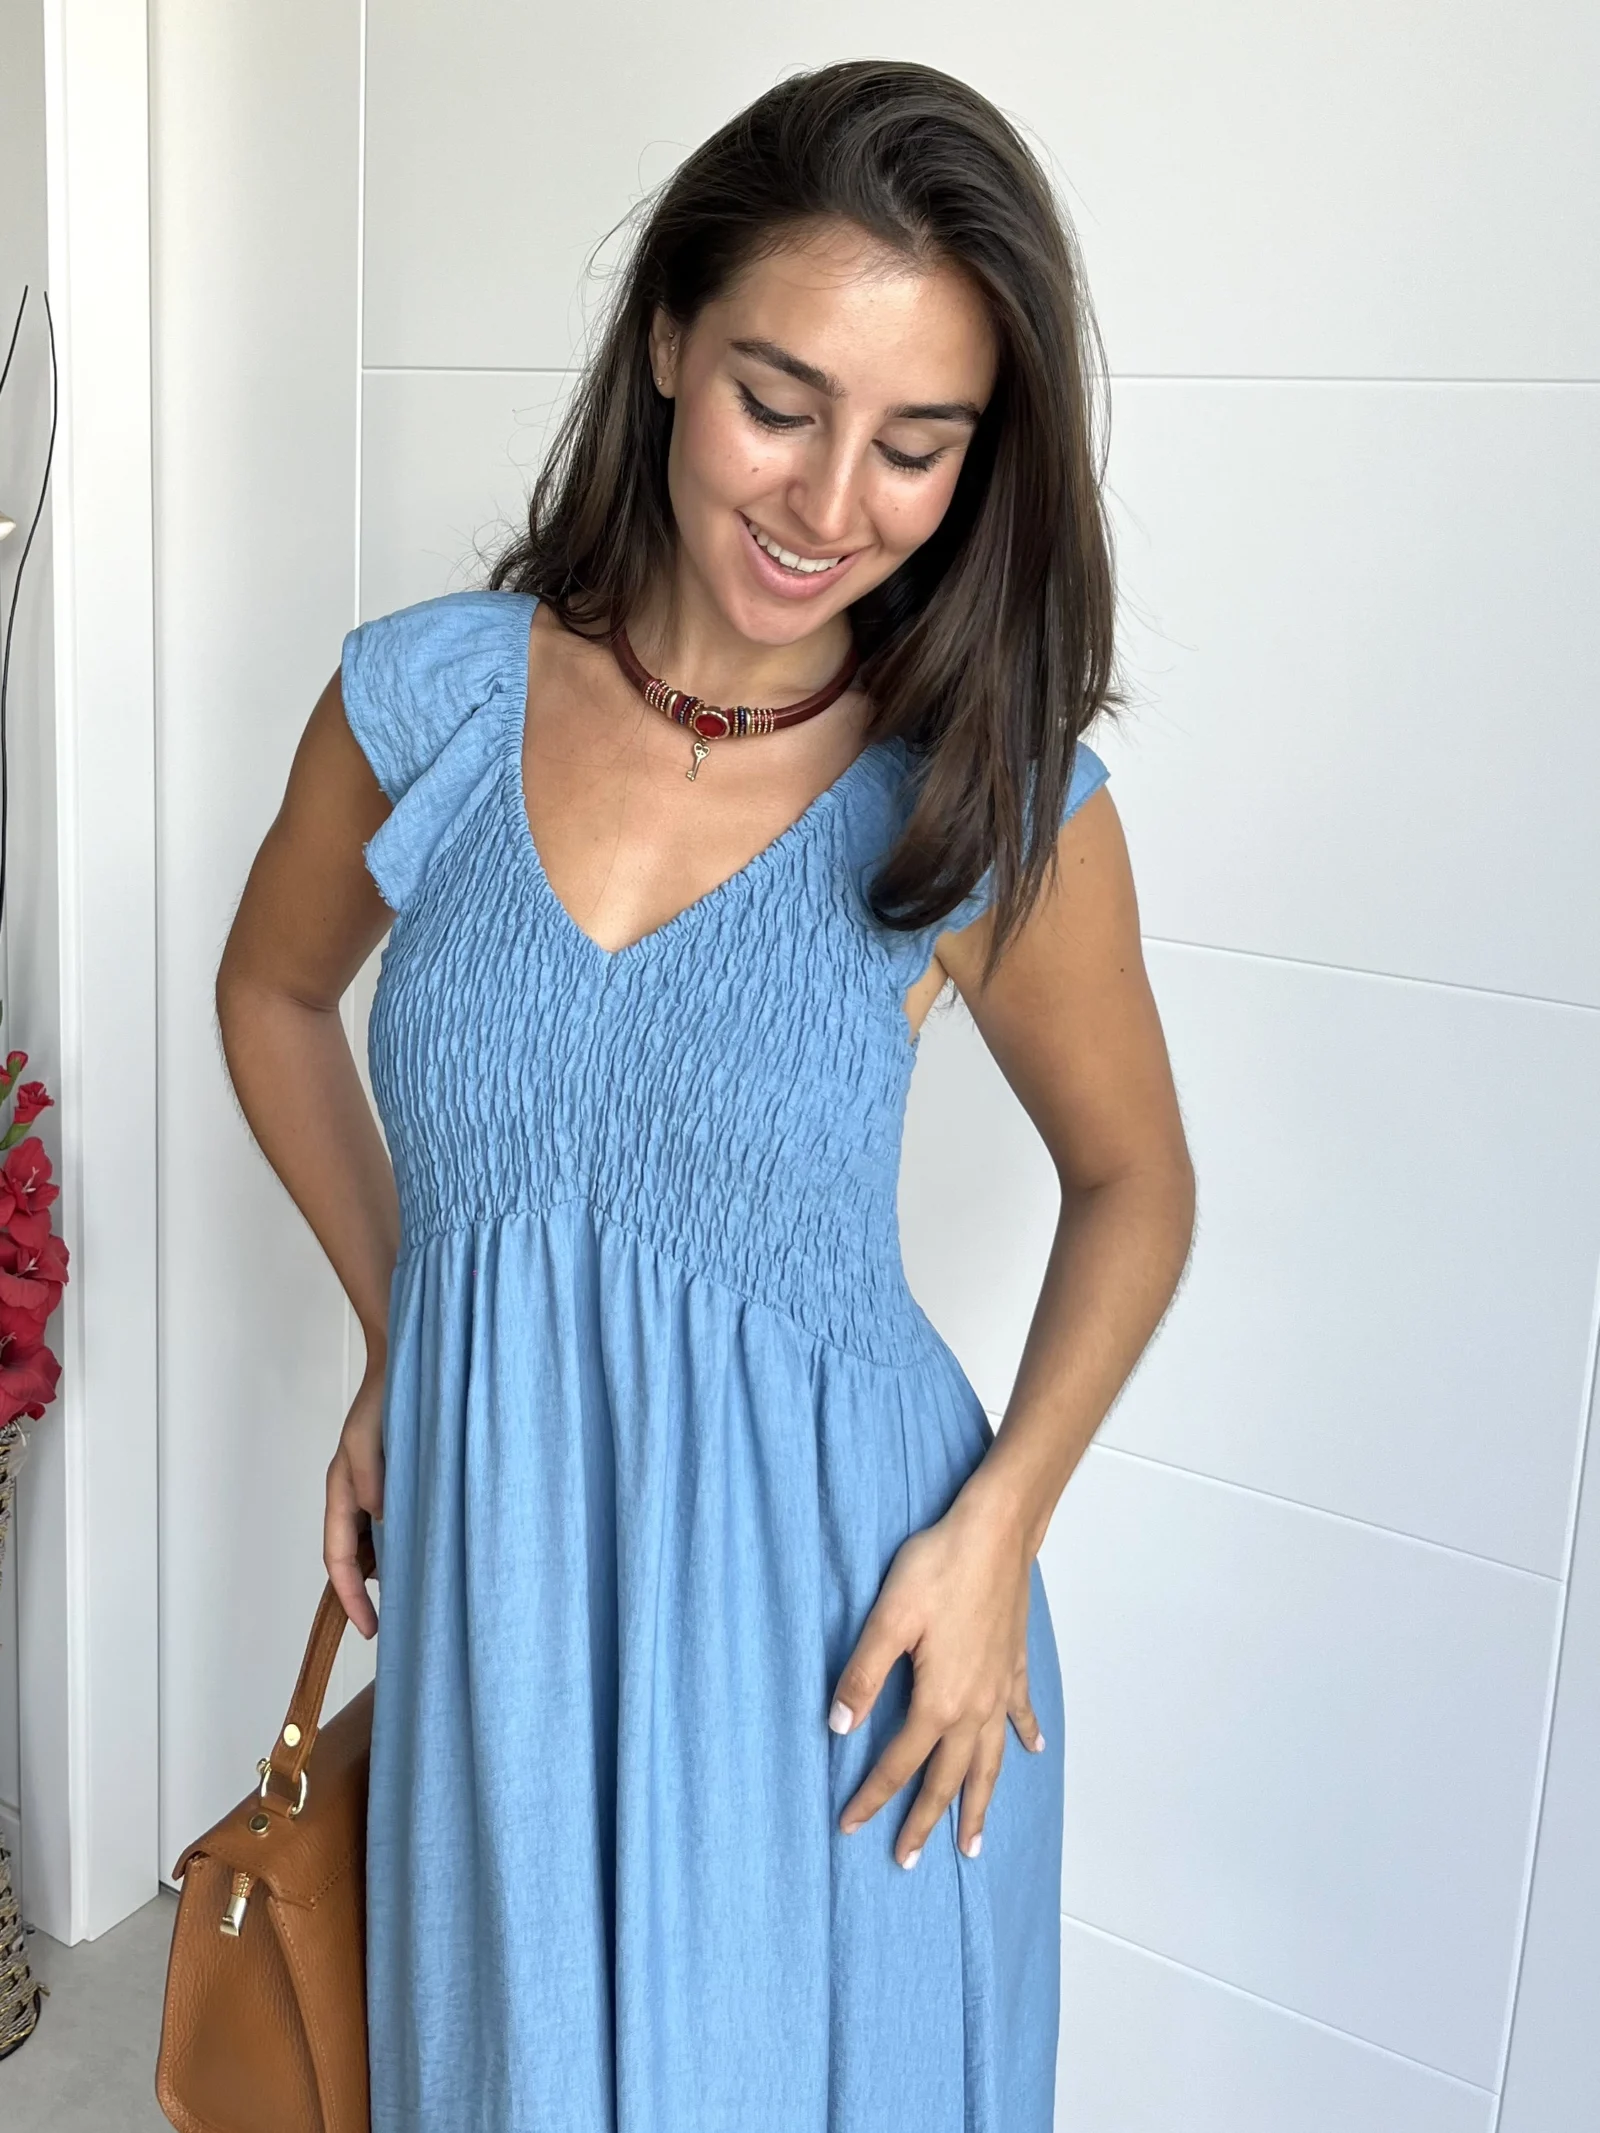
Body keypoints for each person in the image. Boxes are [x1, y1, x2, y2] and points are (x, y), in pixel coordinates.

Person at [215, 56, 1194, 2133]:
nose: (831, 504)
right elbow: (272, 993)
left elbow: (1136, 1184)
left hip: (842, 1643)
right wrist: (403, 1330)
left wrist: (997, 1534)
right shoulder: (428, 699)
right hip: (510, 1581)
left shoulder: (982, 796)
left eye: (915, 446)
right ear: (667, 338)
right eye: (780, 401)